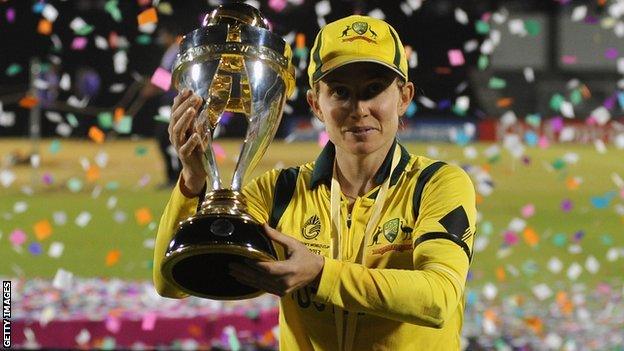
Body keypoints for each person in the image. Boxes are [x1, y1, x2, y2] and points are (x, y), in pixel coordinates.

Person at [154, 15, 476, 351]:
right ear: (315, 104)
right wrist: (192, 179)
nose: (359, 108)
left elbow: (439, 297)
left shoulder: (436, 184)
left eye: (374, 89)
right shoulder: (279, 191)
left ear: (404, 97)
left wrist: (321, 274)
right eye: (340, 91)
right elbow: (170, 283)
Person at [140, 18, 183, 188]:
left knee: (166, 139)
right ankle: (174, 178)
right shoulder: (170, 52)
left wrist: (151, 89)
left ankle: (176, 178)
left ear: (171, 35)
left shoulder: (176, 51)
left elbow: (171, 79)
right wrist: (150, 85)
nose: (161, 38)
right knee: (167, 139)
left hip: (175, 103)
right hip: (169, 103)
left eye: (164, 35)